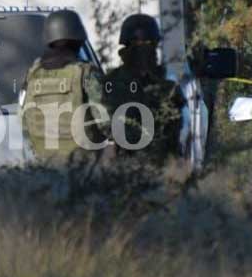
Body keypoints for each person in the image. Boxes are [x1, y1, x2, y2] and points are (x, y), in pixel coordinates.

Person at [21, 9, 108, 163]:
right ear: (78, 38)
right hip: (82, 164)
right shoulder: (85, 72)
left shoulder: (33, 73)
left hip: (44, 162)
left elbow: (24, 119)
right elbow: (104, 120)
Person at [104, 14, 186, 161]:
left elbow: (175, 135)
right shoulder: (111, 83)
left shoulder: (168, 88)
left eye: (148, 43)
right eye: (139, 44)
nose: (144, 49)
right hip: (127, 166)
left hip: (155, 165)